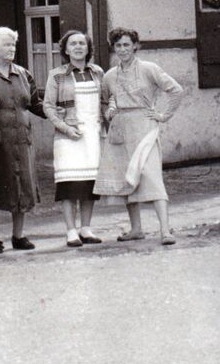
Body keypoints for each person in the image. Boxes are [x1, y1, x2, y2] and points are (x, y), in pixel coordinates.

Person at [94, 27, 183, 245]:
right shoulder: (109, 75)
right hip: (121, 129)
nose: (122, 49)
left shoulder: (149, 68)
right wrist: (109, 112)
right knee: (127, 178)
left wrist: (163, 115)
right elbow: (104, 101)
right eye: (118, 45)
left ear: (135, 46)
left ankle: (165, 230)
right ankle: (136, 229)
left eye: (126, 44)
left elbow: (176, 90)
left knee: (152, 176)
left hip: (145, 127)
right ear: (113, 48)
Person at [0, 27, 47, 253]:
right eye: (6, 45)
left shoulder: (23, 74)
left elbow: (36, 104)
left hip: (22, 138)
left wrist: (60, 113)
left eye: (13, 44)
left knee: (22, 185)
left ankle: (18, 235)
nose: (11, 48)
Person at [43, 30, 105, 247]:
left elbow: (106, 101)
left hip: (93, 135)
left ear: (88, 48)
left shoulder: (97, 72)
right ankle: (71, 231)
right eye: (73, 44)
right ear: (66, 49)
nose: (78, 47)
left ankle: (86, 229)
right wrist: (66, 128)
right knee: (69, 185)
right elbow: (48, 106)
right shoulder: (57, 74)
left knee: (89, 185)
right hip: (68, 136)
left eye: (82, 43)